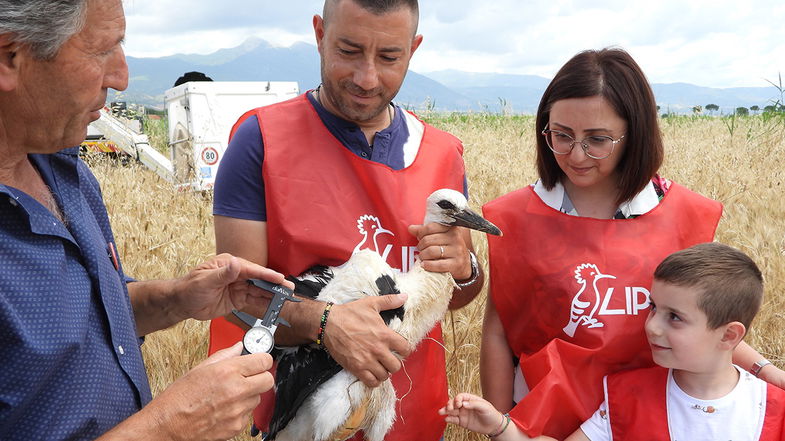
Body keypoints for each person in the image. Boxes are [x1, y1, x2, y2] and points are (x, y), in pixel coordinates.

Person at [0, 1, 291, 439]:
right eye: (102, 50)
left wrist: (176, 299)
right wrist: (169, 427)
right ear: (10, 57)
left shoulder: (64, 171)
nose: (122, 77)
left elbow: (77, 323)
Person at [210, 0, 483, 438]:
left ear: (413, 49)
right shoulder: (261, 141)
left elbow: (452, 297)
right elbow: (237, 296)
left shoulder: (443, 156)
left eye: (389, 56)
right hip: (300, 415)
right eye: (349, 51)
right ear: (319, 34)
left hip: (409, 418)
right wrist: (324, 324)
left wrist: (466, 272)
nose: (366, 78)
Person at [480, 47, 785, 439]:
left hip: (654, 421)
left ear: (634, 133)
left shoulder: (684, 215)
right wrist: (500, 426)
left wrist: (766, 371)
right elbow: (499, 330)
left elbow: (709, 323)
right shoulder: (516, 217)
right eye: (561, 135)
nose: (576, 154)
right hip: (543, 423)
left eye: (598, 140)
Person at [440, 243, 785, 440]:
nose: (651, 326)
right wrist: (501, 427)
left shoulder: (775, 408)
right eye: (653, 307)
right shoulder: (625, 396)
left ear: (730, 335)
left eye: (674, 317)